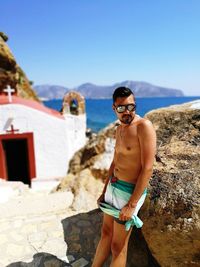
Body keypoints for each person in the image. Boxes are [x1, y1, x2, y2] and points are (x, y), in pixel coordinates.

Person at [92, 87, 157, 267]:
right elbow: (115, 163)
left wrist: (132, 204)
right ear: (114, 108)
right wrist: (104, 191)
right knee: (105, 233)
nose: (127, 112)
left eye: (131, 107)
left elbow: (147, 168)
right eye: (121, 108)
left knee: (118, 246)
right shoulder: (119, 129)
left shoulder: (144, 126)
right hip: (113, 188)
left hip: (128, 193)